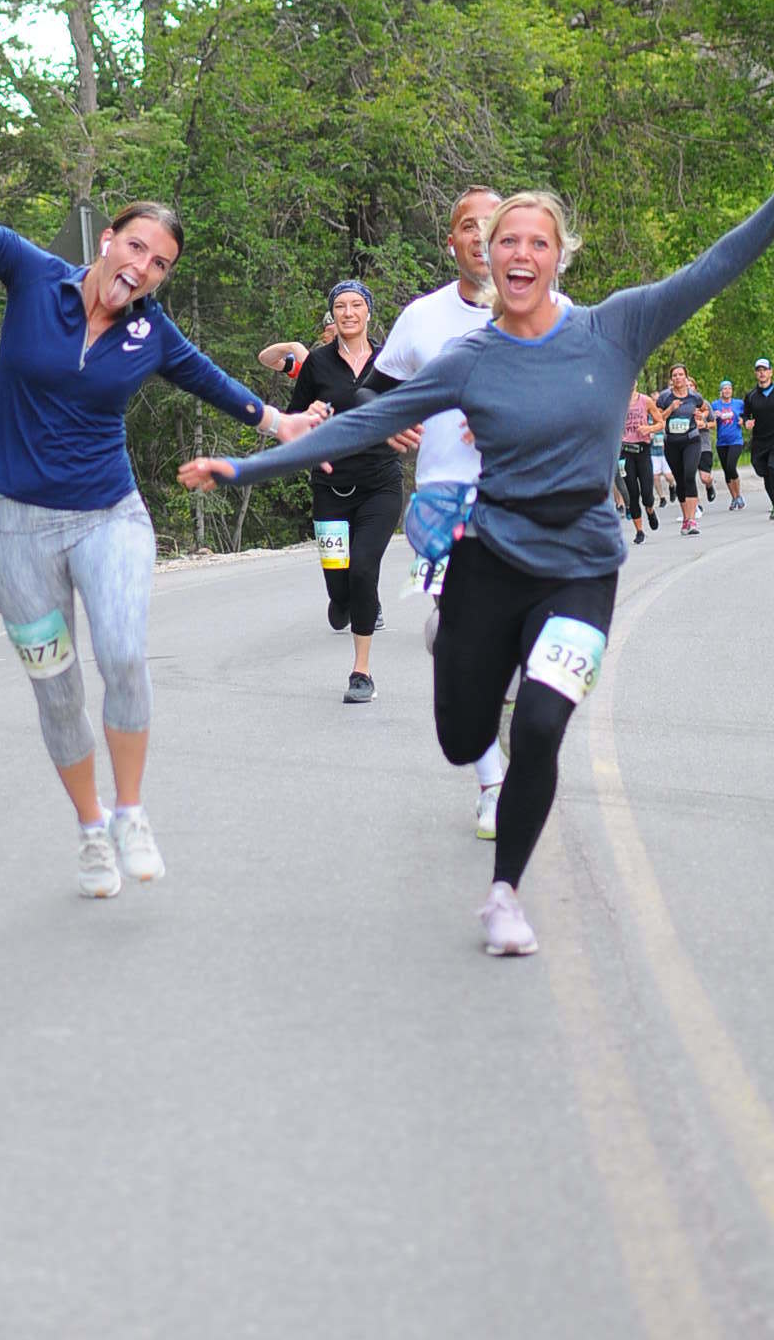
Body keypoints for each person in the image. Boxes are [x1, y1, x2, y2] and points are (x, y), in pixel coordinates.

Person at [179, 186, 774, 957]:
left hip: (582, 568)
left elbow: (719, 263)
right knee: (463, 738)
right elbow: (364, 422)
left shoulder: (616, 327)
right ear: (488, 257)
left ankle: (505, 895)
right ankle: (475, 732)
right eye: (508, 241)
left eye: (538, 242)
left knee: (540, 724)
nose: (522, 254)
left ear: (559, 257)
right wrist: (244, 468)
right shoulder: (470, 358)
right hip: (489, 561)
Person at [0, 58, 323, 898]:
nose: (143, 268)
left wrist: (279, 422)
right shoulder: (32, 276)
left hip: (106, 516)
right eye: (136, 247)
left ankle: (131, 812)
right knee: (55, 689)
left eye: (160, 264)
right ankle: (90, 829)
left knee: (122, 655)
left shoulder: (152, 333)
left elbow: (210, 381)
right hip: (12, 531)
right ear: (108, 240)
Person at [370, 184, 506, 836]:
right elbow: (372, 390)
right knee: (454, 634)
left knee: (518, 641)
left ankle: (512, 722)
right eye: (468, 225)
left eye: (493, 224)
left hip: (525, 493)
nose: (481, 235)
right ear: (451, 241)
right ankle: (492, 783)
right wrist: (387, 421)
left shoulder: (548, 311)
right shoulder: (422, 318)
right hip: (446, 499)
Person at [282, 280, 403, 704]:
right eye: (340, 306)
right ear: (332, 315)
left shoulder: (390, 360)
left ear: (369, 311)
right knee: (341, 587)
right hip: (331, 487)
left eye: (356, 305)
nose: (348, 313)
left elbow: (412, 406)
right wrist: (309, 418)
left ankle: (361, 672)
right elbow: (292, 422)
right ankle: (344, 600)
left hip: (380, 484)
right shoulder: (317, 363)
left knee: (364, 568)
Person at [654, 364, 710, 534]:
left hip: (691, 441)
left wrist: (701, 416)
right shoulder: (665, 397)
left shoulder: (694, 396)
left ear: (686, 377)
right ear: (671, 379)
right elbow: (657, 419)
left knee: (689, 476)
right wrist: (670, 409)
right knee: (680, 479)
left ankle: (692, 520)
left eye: (680, 374)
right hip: (672, 443)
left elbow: (705, 409)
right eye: (675, 375)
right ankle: (686, 519)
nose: (678, 377)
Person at [618, 387, 664, 545]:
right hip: (625, 451)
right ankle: (639, 531)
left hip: (643, 450)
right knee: (632, 493)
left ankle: (650, 510)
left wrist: (649, 428)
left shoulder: (646, 401)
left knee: (646, 492)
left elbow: (661, 423)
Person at [743, 357, 774, 515]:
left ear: (771, 372)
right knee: (765, 473)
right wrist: (746, 422)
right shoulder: (751, 396)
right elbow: (745, 415)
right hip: (760, 441)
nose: (762, 373)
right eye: (759, 371)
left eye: (764, 370)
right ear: (756, 374)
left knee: (772, 467)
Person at [709, 381, 746, 507]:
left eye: (729, 388)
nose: (727, 391)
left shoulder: (739, 403)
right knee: (726, 471)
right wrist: (714, 416)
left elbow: (747, 415)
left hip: (736, 440)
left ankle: (739, 495)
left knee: (731, 466)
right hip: (722, 442)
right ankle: (734, 498)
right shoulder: (715, 404)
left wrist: (742, 420)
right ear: (721, 391)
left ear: (732, 390)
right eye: (724, 388)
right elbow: (710, 420)